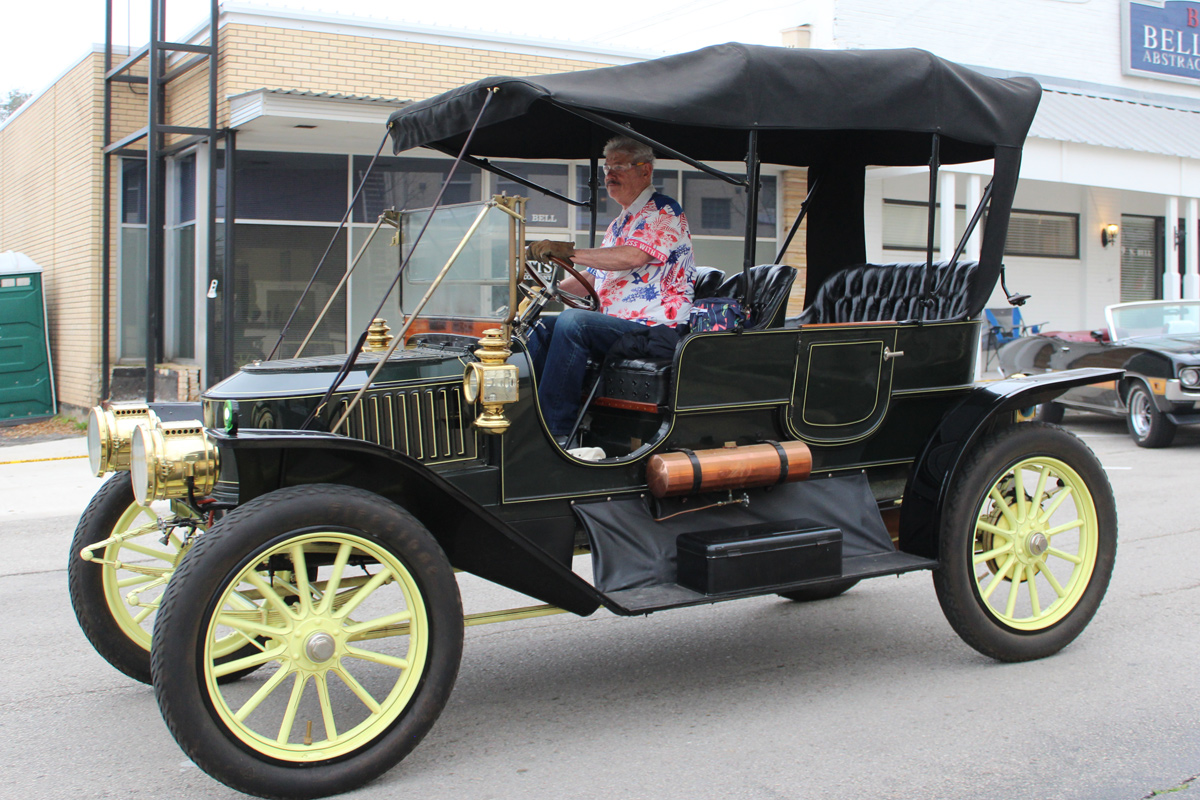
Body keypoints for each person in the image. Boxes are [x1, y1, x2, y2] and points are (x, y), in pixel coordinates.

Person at [524, 135, 696, 442]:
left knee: (574, 323)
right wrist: (544, 291)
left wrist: (567, 252)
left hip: (656, 329)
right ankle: (528, 417)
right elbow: (593, 277)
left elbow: (633, 256)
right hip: (619, 325)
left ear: (645, 170)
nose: (609, 175)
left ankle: (557, 432)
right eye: (607, 168)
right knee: (540, 327)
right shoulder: (619, 223)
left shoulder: (664, 211)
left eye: (619, 167)